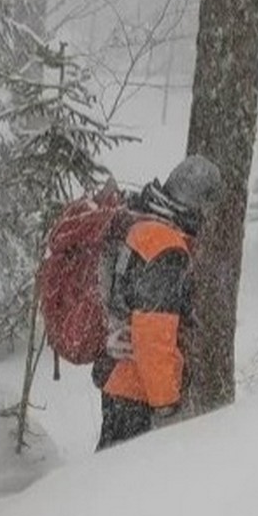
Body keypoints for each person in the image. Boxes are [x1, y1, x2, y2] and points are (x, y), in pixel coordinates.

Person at [91, 154, 222, 451]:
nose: (208, 216)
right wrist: (166, 406)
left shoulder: (145, 227)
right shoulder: (166, 248)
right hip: (138, 391)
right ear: (196, 202)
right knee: (125, 485)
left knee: (106, 474)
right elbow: (153, 335)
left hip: (120, 379)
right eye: (207, 206)